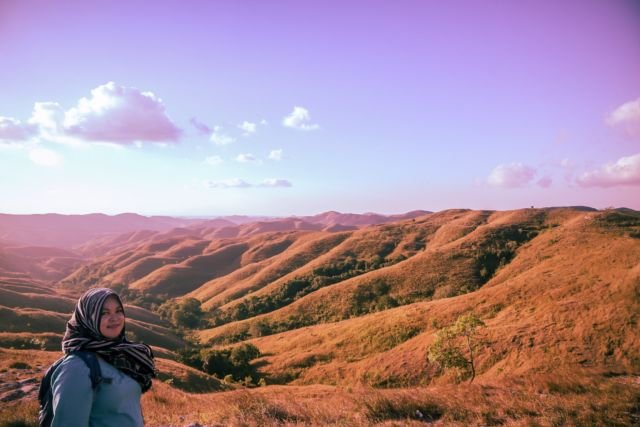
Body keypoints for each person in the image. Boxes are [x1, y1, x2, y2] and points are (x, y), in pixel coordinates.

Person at [50, 288, 156, 427]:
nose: (115, 318)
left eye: (118, 311)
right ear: (87, 318)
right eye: (103, 313)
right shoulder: (76, 367)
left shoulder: (120, 357)